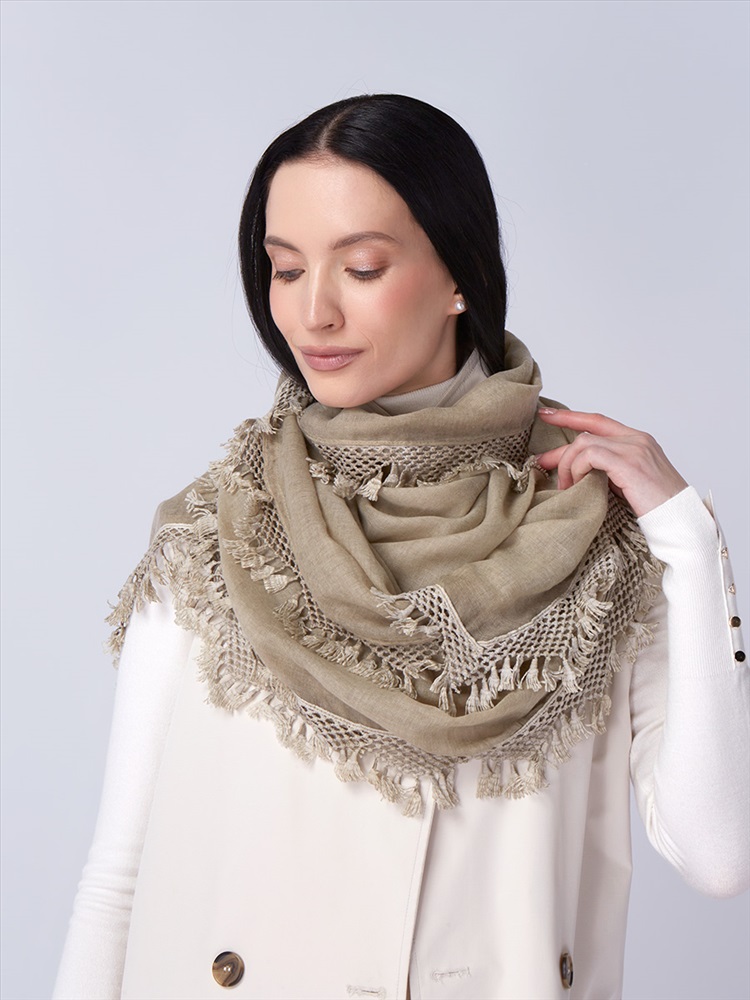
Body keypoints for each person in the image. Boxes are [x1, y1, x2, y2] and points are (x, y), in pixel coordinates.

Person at [54, 94, 748, 1000]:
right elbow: (118, 880)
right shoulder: (216, 536)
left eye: (362, 267)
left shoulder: (597, 537)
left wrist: (690, 541)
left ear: (460, 274)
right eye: (285, 268)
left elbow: (716, 854)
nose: (313, 312)